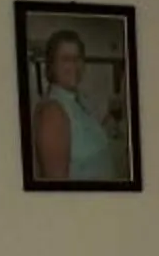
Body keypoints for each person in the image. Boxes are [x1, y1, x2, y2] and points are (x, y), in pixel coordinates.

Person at [29, 27, 123, 183]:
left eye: (78, 58)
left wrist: (111, 116)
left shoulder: (79, 99)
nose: (74, 65)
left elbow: (84, 139)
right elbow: (57, 187)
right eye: (66, 59)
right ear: (51, 66)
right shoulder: (53, 111)